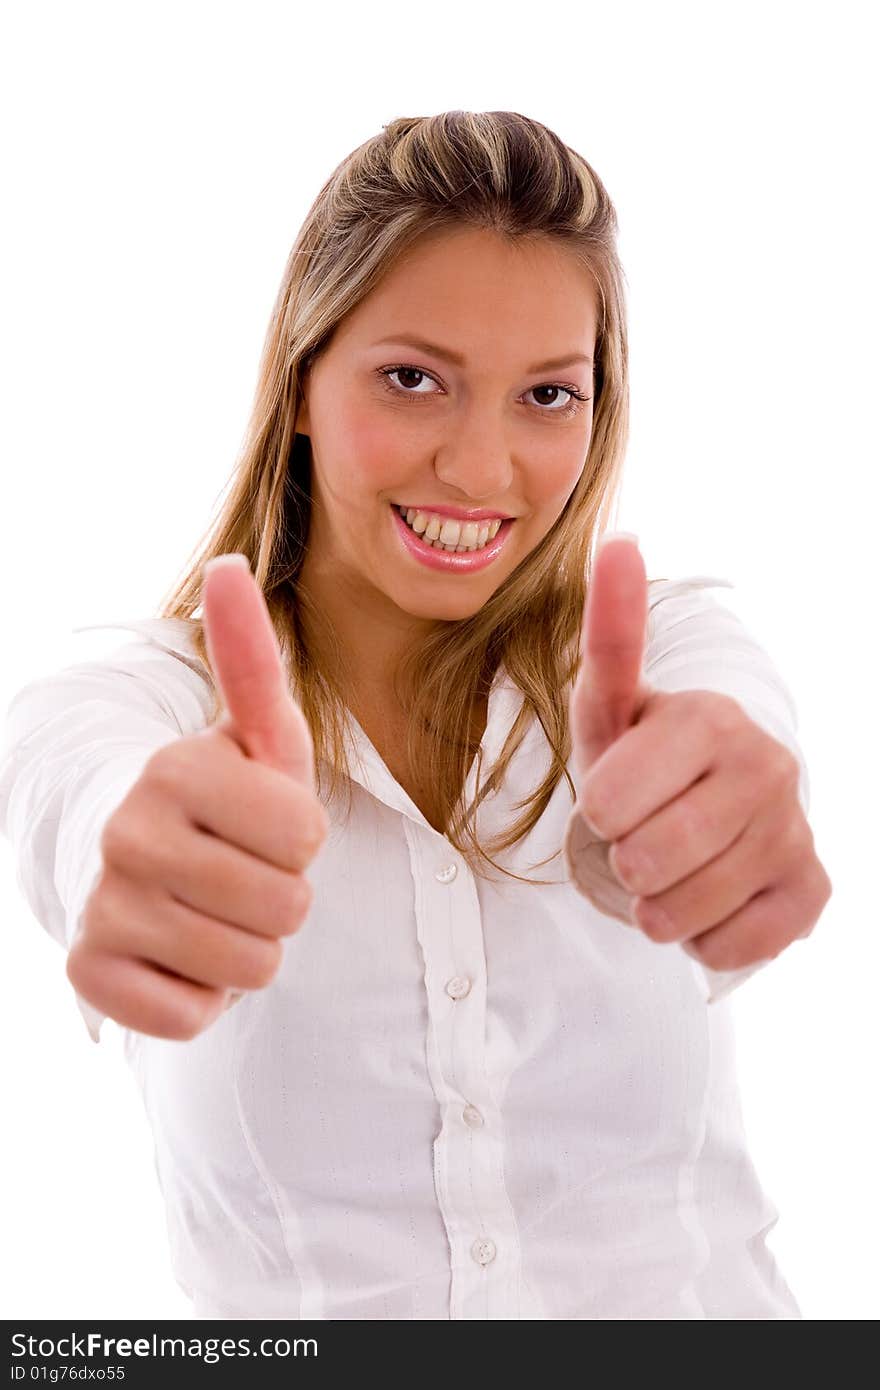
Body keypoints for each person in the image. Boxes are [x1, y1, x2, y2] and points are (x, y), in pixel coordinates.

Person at [0, 110, 831, 1320]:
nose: (482, 470)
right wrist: (129, 847)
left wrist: (725, 807)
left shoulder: (672, 654)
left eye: (548, 394)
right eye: (413, 379)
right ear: (299, 383)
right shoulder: (141, 706)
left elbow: (741, 725)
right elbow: (70, 782)